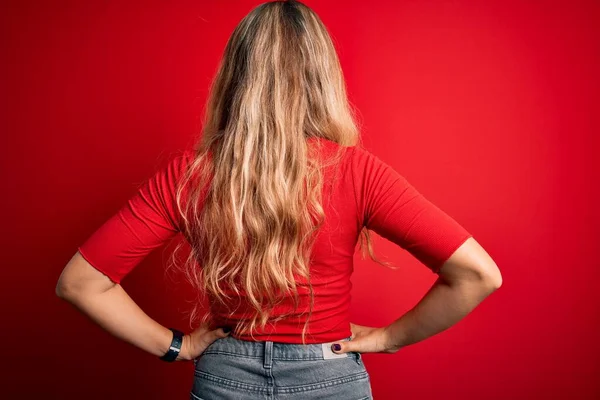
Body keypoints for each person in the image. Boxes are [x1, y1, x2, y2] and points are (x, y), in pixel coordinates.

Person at [55, 0, 502, 399]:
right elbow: (478, 275)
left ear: (234, 76)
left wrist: (177, 346)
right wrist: (389, 339)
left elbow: (79, 282)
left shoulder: (190, 176)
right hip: (330, 380)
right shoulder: (357, 171)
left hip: (225, 376)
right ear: (323, 76)